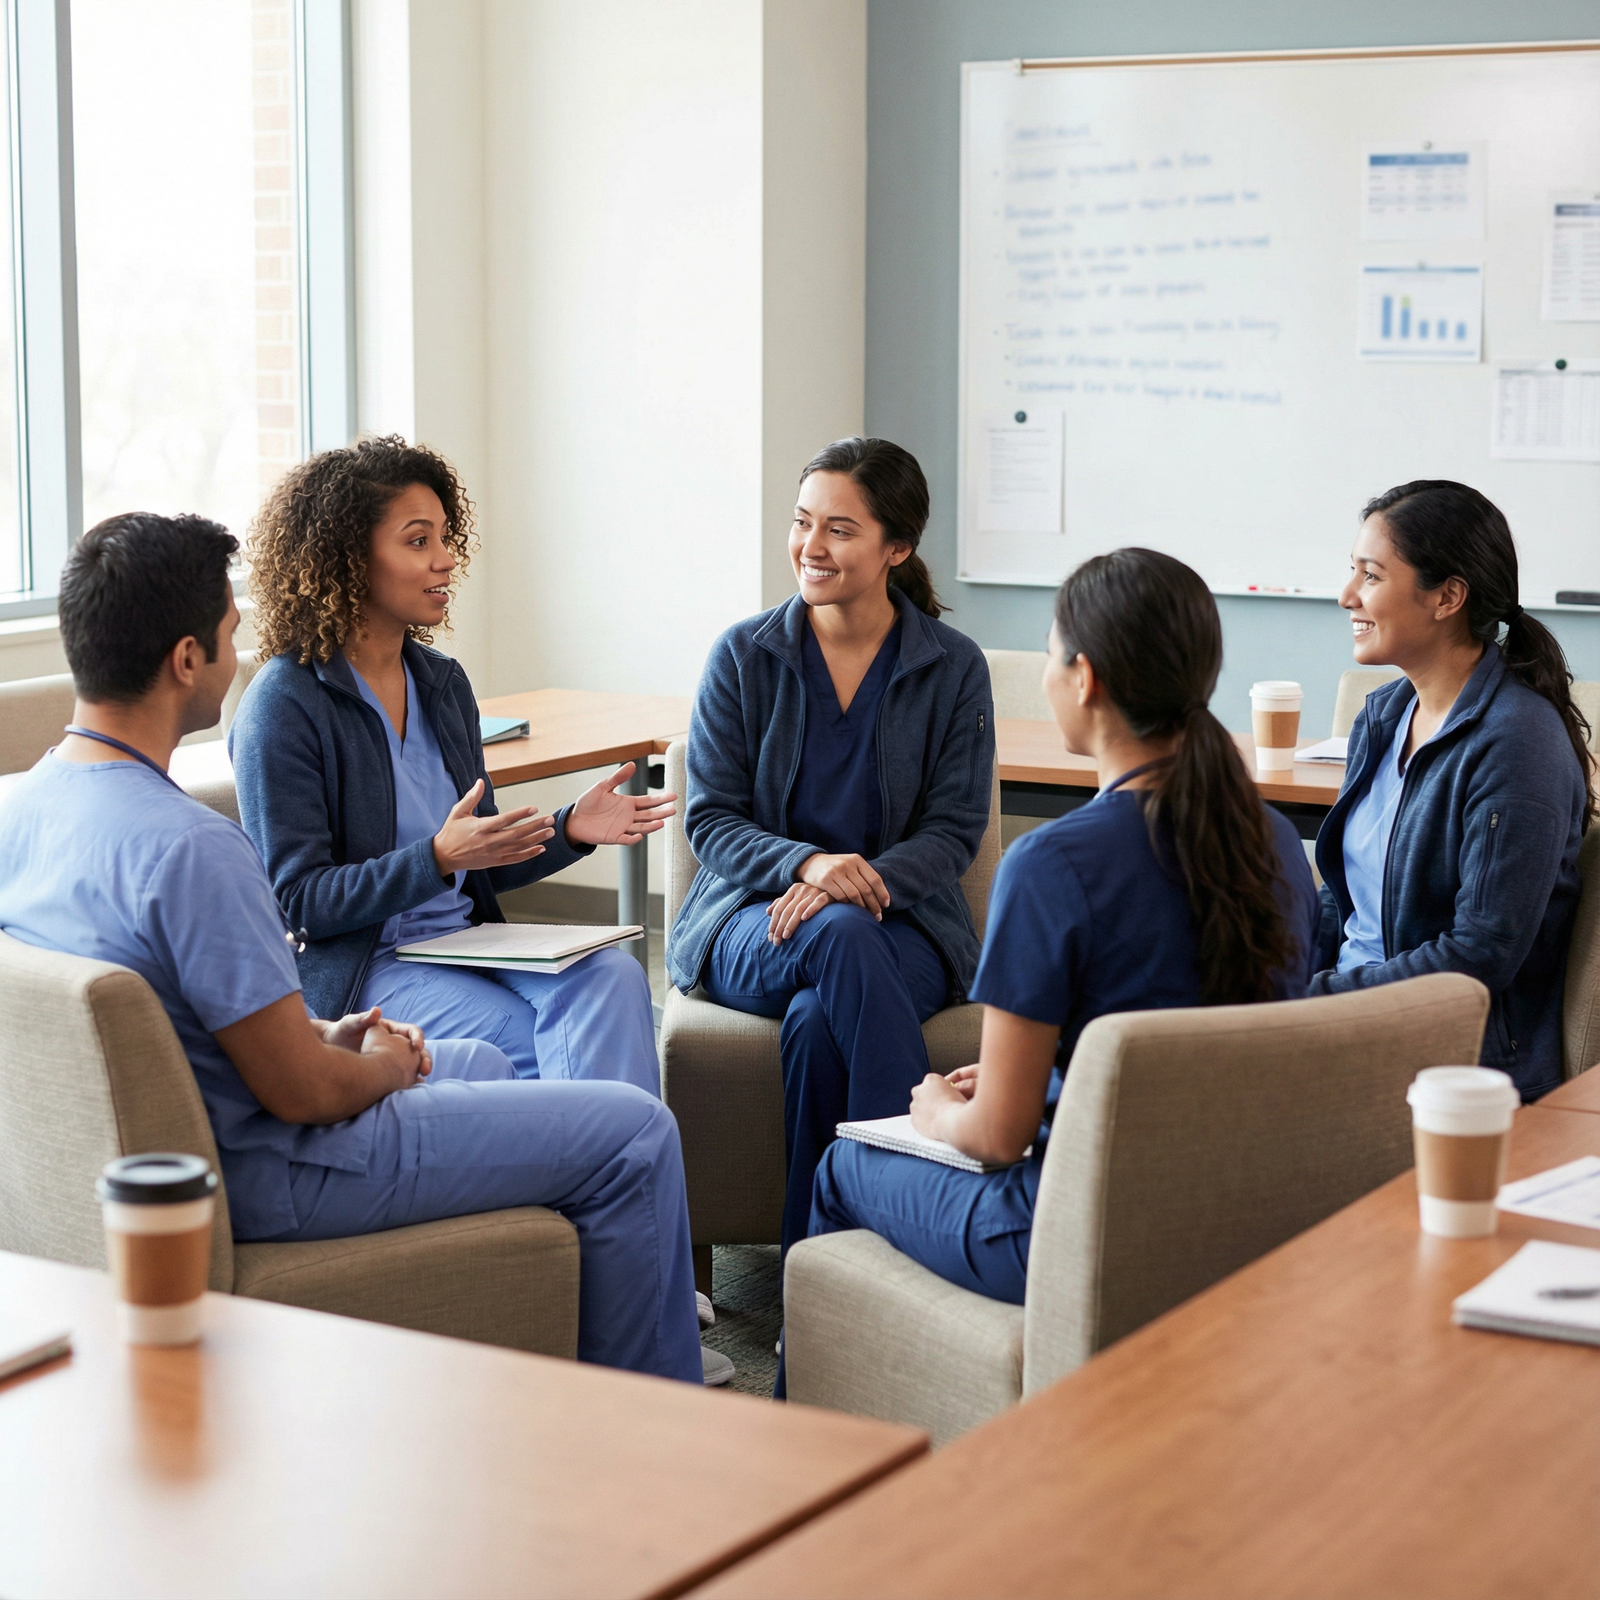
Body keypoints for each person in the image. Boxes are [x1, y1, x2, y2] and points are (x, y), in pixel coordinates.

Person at [0, 512, 711, 1383]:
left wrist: (343, 1038)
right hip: (277, 1168)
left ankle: (542, 1355)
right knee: (635, 1130)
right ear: (188, 660)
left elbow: (202, 1028)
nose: (239, 649)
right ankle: (653, 1420)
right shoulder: (192, 849)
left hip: (176, 1150)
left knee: (485, 1064)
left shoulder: (22, 813)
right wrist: (380, 1063)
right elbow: (299, 1090)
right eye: (230, 632)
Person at [804, 547, 1319, 1316]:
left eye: (1050, 656)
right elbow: (1181, 1031)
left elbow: (999, 1139)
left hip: (1069, 1227)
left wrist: (938, 1109)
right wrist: (1044, 1080)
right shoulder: (1274, 839)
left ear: (1086, 679)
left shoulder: (1051, 863)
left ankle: (817, 1425)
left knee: (842, 1165)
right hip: (1230, 1218)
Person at [229, 437, 667, 1095]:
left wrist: (572, 827)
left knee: (617, 977)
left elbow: (478, 854)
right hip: (367, 970)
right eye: (417, 541)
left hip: (468, 945)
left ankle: (605, 1180)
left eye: (443, 536)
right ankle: (613, 1179)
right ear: (348, 560)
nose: (445, 559)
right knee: (539, 1046)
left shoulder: (441, 683)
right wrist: (433, 858)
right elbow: (299, 904)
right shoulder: (285, 703)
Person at [670, 436, 995, 1255]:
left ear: (898, 547)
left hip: (906, 923)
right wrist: (809, 865)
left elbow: (955, 830)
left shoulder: (952, 667)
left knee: (820, 1024)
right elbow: (709, 820)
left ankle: (812, 1264)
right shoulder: (744, 657)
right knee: (838, 937)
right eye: (802, 522)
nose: (811, 547)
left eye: (840, 530)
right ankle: (906, 1206)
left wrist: (861, 881)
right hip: (753, 924)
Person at [1309, 481, 1591, 1101]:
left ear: (1448, 597)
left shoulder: (1516, 743)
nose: (1346, 595)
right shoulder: (1383, 716)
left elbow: (1480, 955)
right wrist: (1289, 974)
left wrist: (1315, 999)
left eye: (1372, 576)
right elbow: (1349, 897)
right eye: (1351, 572)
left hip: (1451, 1062)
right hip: (1351, 1016)